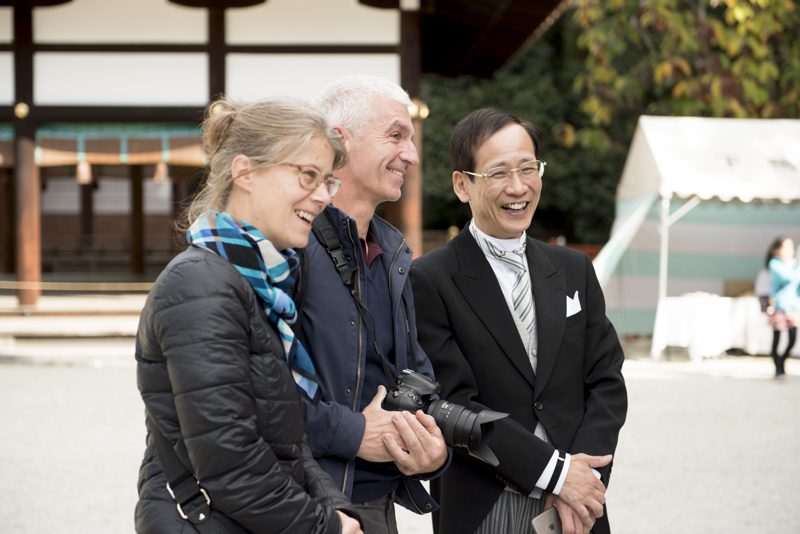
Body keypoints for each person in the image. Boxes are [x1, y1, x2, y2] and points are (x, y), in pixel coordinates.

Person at [134, 96, 363, 534]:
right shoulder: (200, 285)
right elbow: (230, 463)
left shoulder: (262, 283)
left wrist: (338, 510)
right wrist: (325, 525)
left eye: (328, 181)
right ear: (245, 173)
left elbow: (288, 442)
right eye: (308, 175)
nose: (321, 197)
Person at [410, 109, 627, 534]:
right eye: (498, 173)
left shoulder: (574, 269)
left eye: (528, 168)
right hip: (485, 501)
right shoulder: (429, 278)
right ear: (462, 184)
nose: (518, 187)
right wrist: (556, 474)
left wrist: (583, 476)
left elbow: (606, 379)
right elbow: (452, 402)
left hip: (577, 502)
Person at [297, 75, 450, 534]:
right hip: (303, 503)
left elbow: (415, 375)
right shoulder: (290, 248)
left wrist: (433, 450)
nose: (413, 155)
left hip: (378, 504)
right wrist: (356, 433)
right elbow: (258, 393)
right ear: (339, 142)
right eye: (396, 135)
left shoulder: (391, 254)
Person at [766, 236, 800, 381]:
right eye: (785, 247)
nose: (789, 250)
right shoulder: (775, 263)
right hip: (779, 305)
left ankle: (781, 361)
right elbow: (788, 277)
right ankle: (778, 368)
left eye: (791, 247)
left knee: (792, 340)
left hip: (793, 306)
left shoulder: (794, 265)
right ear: (776, 249)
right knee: (777, 340)